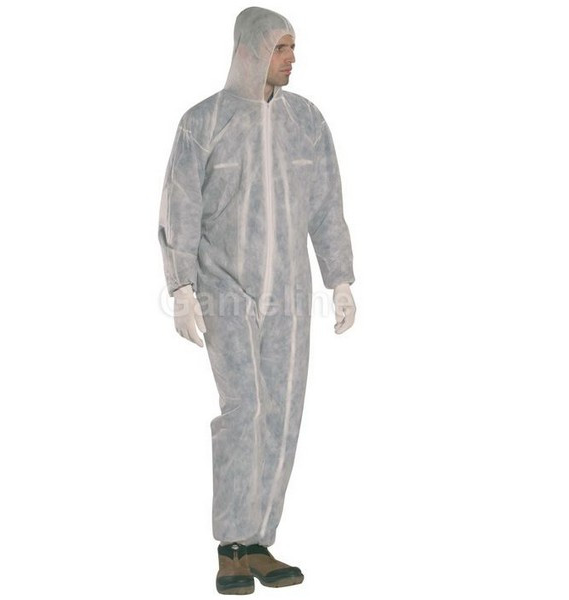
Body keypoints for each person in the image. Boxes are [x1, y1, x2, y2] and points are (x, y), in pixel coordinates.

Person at [158, 6, 356, 595]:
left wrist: (340, 279)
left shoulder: (307, 122)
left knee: (283, 412)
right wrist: (182, 286)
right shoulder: (204, 122)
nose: (292, 58)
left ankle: (259, 540)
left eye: (293, 47)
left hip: (290, 292)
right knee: (244, 407)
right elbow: (180, 206)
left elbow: (326, 204)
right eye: (281, 47)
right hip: (225, 287)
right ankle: (230, 545)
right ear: (250, 51)